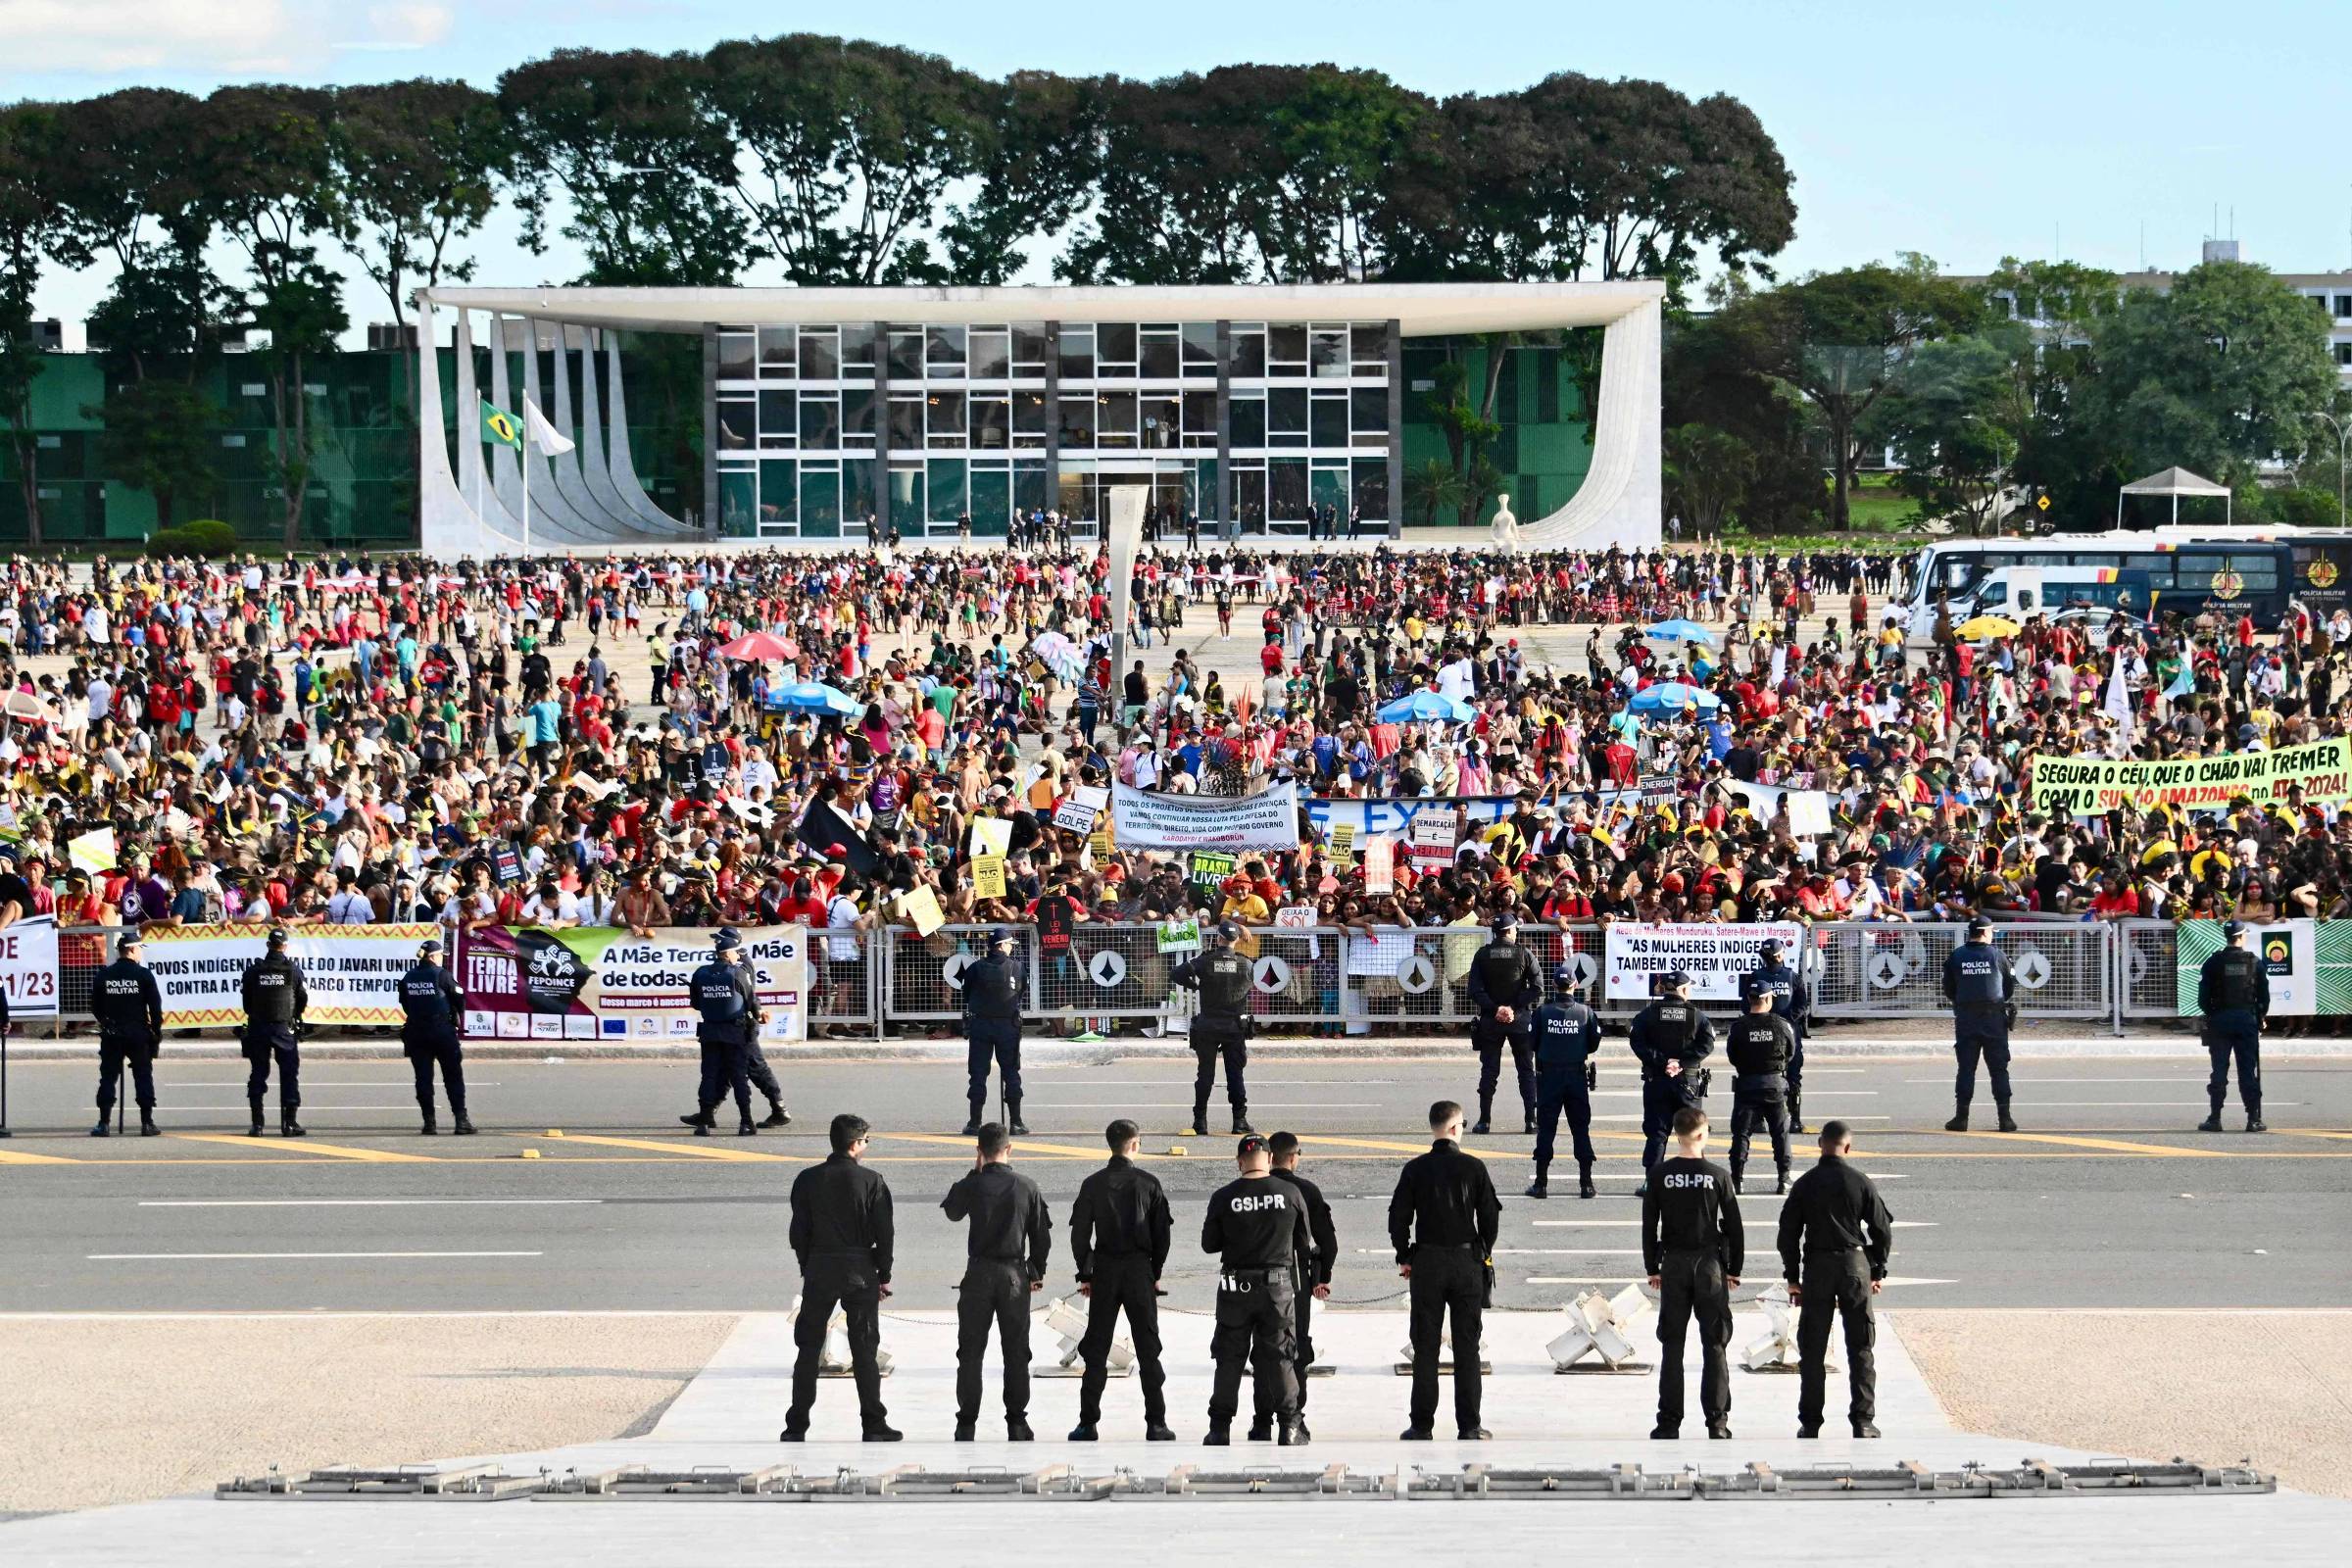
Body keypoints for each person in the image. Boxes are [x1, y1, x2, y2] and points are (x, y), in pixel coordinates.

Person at [781, 1112, 901, 1443]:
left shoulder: (806, 1180)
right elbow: (885, 1233)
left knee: (808, 1348)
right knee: (864, 1349)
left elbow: (798, 1232)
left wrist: (808, 1265)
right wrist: (883, 1273)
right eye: (866, 1141)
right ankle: (873, 1424)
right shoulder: (872, 1181)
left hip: (819, 1268)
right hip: (859, 1269)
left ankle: (796, 1425)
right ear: (855, 1143)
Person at [1389, 1100, 1500, 1442]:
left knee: (1425, 1347)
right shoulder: (1474, 1167)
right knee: (1467, 1347)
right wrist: (1484, 1249)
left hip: (1428, 1263)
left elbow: (1398, 1218)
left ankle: (1421, 1425)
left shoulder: (1415, 1169)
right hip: (1466, 1261)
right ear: (1455, 1128)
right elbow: (1490, 1218)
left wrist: (1405, 1254)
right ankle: (1470, 1425)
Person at [1777, 1120, 1895, 1439]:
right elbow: (1882, 1230)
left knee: (1812, 1349)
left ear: (1819, 1144)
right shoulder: (1860, 1182)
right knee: (1860, 1347)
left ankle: (1811, 1422)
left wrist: (1792, 1277)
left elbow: (1788, 1233)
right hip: (1854, 1266)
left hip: (1817, 1268)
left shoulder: (1806, 1183)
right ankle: (1863, 1421)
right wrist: (1877, 1270)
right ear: (1848, 1147)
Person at [942, 1122, 1053, 1442]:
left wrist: (973, 1174)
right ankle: (1017, 1421)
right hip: (1014, 1276)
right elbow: (1041, 1238)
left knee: (970, 1352)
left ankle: (966, 1423)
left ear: (979, 1152)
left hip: (978, 1274)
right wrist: (1036, 1271)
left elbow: (952, 1212)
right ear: (1009, 1149)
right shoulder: (1027, 1187)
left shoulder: (974, 1185)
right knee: (1016, 1352)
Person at [1067, 1118, 1175, 1442]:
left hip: (1105, 1271)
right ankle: (1156, 1423)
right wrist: (1153, 1273)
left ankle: (1088, 1423)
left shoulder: (1092, 1184)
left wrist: (1087, 1273)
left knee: (1096, 1349)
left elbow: (1079, 1235)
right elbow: (1162, 1236)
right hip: (1139, 1271)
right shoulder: (1149, 1183)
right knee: (1147, 1349)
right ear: (1135, 1144)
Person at [1200, 1133, 1309, 1446]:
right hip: (1276, 1288)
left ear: (1239, 1163)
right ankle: (1289, 1426)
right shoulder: (1290, 1192)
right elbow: (1303, 1243)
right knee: (1281, 1356)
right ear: (1271, 1159)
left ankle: (1219, 1428)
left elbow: (1210, 1244)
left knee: (1229, 1358)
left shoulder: (1224, 1197)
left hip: (1235, 1288)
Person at [1642, 1106, 1742, 1440]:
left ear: (1676, 1134)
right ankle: (1717, 1422)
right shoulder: (1717, 1175)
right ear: (1701, 1135)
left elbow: (1648, 1225)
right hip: (1709, 1264)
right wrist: (1734, 1268)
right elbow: (1734, 1226)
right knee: (1714, 1344)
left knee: (1672, 1345)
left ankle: (1668, 1421)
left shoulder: (1659, 1175)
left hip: (1673, 1263)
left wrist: (1652, 1266)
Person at [1259, 1131, 1337, 1441]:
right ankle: (1294, 1419)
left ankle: (1261, 1420)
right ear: (1294, 1157)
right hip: (1294, 1277)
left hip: (1254, 1278)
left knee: (1263, 1348)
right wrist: (1323, 1276)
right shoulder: (1305, 1190)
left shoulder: (1252, 1188)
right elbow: (1327, 1241)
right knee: (1296, 1347)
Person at [1628, 971, 1715, 1189]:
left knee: (1657, 1132)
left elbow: (1636, 1041)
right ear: (1684, 990)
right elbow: (1707, 1045)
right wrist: (1681, 1063)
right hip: (1687, 1082)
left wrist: (1661, 1061)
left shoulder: (1648, 1014)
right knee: (1693, 1129)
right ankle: (1698, 1180)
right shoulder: (1696, 1016)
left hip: (1657, 1079)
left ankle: (1651, 1181)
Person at [1526, 964, 1603, 1200]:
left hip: (1549, 1077)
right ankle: (1586, 1184)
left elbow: (1532, 1042)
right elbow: (1593, 1044)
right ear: (1575, 985)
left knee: (1546, 1130)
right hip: (1576, 1076)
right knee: (1581, 1129)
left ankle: (1541, 1184)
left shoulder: (1541, 1012)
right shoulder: (1586, 1012)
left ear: (1552, 985)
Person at [1171, 920, 1253, 1135]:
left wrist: (1195, 985)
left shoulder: (1205, 960)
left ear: (1218, 938)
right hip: (1234, 1026)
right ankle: (1239, 1120)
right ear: (1236, 940)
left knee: (1205, 1075)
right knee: (1235, 1074)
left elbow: (1177, 973)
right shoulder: (1246, 964)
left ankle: (1200, 1121)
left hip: (1208, 1024)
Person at [1465, 912, 1542, 1135]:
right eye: (1515, 928)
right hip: (1520, 1019)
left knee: (1489, 1071)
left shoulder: (1482, 954)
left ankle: (1484, 1121)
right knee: (1526, 1071)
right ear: (1509, 931)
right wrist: (1513, 1007)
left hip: (1491, 1020)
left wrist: (1496, 1009)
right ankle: (1531, 1120)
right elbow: (1537, 986)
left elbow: (1474, 990)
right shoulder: (1524, 953)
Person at [1939, 916, 2017, 1132]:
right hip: (1994, 1019)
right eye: (1992, 930)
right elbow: (2009, 987)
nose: (1993, 934)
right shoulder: (1997, 955)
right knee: (1999, 1069)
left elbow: (1949, 989)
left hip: (1966, 1018)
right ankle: (2005, 1119)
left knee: (1966, 1068)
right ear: (1984, 932)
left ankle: (1961, 1118)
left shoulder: (1957, 956)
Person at [688, 927, 762, 1136]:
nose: (737, 956)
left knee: (709, 1076)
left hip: (710, 1031)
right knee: (739, 1077)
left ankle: (703, 1122)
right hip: (734, 1033)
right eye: (736, 953)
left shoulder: (700, 973)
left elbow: (695, 1003)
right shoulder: (738, 973)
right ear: (728, 953)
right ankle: (746, 1122)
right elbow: (750, 1002)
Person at [1724, 984, 1796, 1193]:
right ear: (1768, 999)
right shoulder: (1781, 1025)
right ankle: (1783, 1179)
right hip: (1774, 1085)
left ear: (1750, 999)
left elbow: (1732, 1056)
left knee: (1741, 1135)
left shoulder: (1739, 1027)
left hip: (1747, 1085)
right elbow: (1790, 1053)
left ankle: (1737, 1180)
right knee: (1780, 1135)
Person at [90, 931, 163, 1138]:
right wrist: (156, 1032)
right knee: (142, 1076)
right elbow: (155, 1008)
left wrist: (105, 1022)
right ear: (131, 949)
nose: (140, 953)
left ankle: (104, 1123)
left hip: (112, 1033)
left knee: (108, 1077)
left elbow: (95, 1006)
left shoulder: (104, 974)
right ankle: (147, 1122)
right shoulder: (143, 975)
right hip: (138, 1033)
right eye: (139, 949)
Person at [398, 937, 473, 1135]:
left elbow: (405, 1003)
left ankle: (429, 1123)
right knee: (453, 1076)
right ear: (434, 956)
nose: (442, 958)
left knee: (423, 1078)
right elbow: (459, 999)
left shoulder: (408, 977)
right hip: (442, 1030)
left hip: (416, 1031)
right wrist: (454, 1015)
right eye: (440, 955)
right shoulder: (442, 975)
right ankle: (461, 1121)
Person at [2197, 920, 2269, 1132]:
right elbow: (2263, 996)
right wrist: (2260, 1015)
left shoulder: (2213, 962)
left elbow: (2203, 998)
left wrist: (2213, 1014)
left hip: (2220, 1021)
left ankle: (2215, 1117)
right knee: (2248, 1070)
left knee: (2219, 1069)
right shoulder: (2255, 962)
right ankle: (2253, 1119)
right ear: (2241, 936)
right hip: (2246, 1021)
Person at [1739, 938, 1813, 1134]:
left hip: (1759, 1030)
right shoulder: (1792, 976)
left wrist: (1761, 1020)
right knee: (1793, 1077)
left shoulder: (1755, 976)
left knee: (1757, 1073)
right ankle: (1794, 1120)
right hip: (1789, 1033)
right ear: (1780, 955)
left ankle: (1756, 1120)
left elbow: (1746, 1005)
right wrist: (1787, 1021)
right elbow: (1802, 1005)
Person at [239, 927, 307, 1138]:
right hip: (283, 1028)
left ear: (268, 945)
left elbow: (247, 1004)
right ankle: (289, 1124)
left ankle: (257, 1125)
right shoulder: (293, 970)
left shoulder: (253, 971)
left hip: (258, 1027)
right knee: (289, 1075)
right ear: (285, 946)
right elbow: (301, 1000)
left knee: (258, 1074)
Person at [961, 927, 1026, 1135]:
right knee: (1011, 1072)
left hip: (981, 1025)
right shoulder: (1016, 967)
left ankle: (974, 1123)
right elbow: (1021, 991)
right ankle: (1016, 1122)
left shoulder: (975, 968)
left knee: (978, 1074)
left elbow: (967, 994)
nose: (1010, 948)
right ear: (1003, 945)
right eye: (1009, 944)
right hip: (1008, 1025)